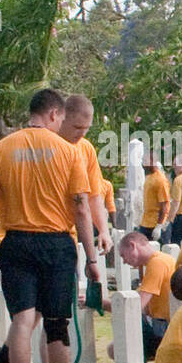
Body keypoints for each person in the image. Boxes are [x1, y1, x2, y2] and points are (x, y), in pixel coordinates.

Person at [0, 88, 100, 363]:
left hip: (16, 243)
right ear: (54, 114)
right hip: (57, 245)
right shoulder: (69, 152)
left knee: (22, 320)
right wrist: (92, 259)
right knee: (57, 322)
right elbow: (81, 209)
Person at [57, 94, 112, 254]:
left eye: (86, 128)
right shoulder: (47, 145)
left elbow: (94, 195)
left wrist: (103, 230)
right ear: (62, 119)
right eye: (77, 127)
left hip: (70, 234)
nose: (82, 133)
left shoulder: (86, 148)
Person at [113, 232, 175, 360]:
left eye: (123, 255)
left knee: (117, 348)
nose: (124, 261)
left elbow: (136, 306)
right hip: (162, 324)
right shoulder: (160, 260)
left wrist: (103, 304)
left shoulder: (157, 263)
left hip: (165, 328)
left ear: (133, 246)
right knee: (115, 348)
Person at [137, 150, 170, 242]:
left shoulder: (160, 180)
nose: (142, 163)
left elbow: (164, 205)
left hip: (156, 224)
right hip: (145, 224)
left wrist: (159, 226)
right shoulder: (149, 177)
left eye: (145, 161)